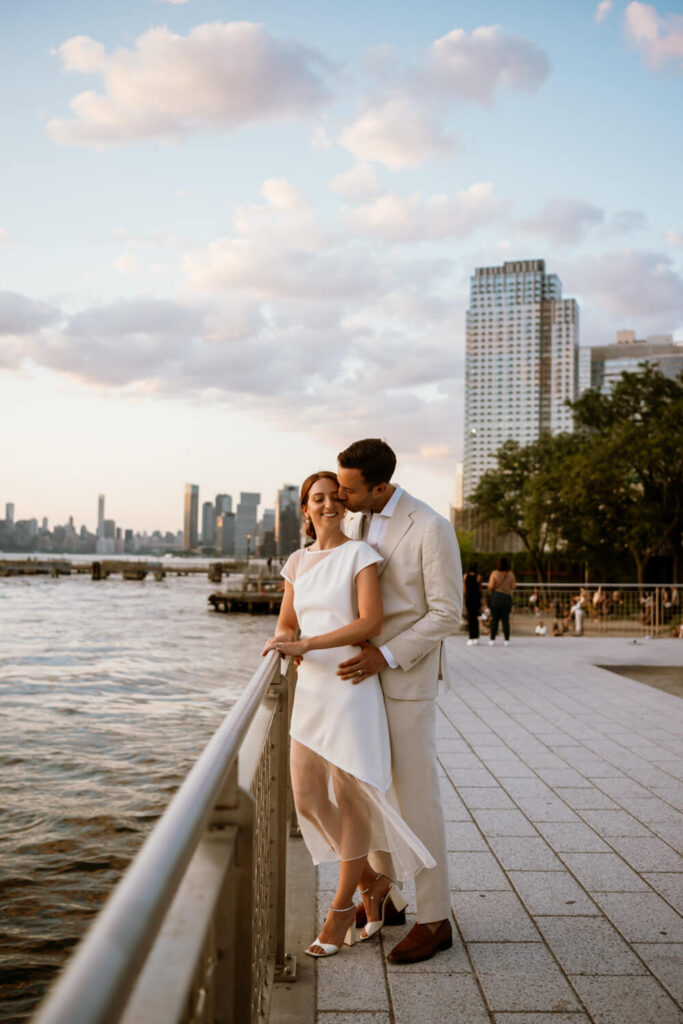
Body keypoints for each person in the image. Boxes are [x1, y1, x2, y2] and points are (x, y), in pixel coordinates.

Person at [262, 471, 434, 959]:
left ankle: (340, 910)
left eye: (336, 498)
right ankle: (374, 883)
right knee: (309, 799)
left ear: (346, 506)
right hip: (312, 690)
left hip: (350, 687)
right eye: (318, 499)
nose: (329, 505)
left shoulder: (361, 555)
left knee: (350, 799)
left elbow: (369, 622)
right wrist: (281, 641)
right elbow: (287, 620)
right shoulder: (297, 561)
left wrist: (309, 643)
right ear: (305, 509)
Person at [335, 438, 463, 965]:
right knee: (370, 792)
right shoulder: (354, 521)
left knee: (416, 797)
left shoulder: (431, 528)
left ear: (380, 487)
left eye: (348, 489)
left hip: (405, 680)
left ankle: (435, 919)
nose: (340, 498)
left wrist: (385, 656)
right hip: (360, 683)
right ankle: (385, 894)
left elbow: (446, 614)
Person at [487, 556, 516, 646]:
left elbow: (491, 586)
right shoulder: (510, 574)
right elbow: (513, 586)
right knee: (505, 619)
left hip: (496, 597)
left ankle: (492, 639)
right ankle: (507, 640)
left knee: (494, 619)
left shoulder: (495, 573)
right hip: (507, 598)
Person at [464, 562, 482, 645]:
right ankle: (476, 637)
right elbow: (480, 589)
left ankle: (470, 637)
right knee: (476, 618)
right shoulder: (478, 577)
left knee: (470, 618)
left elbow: (464, 589)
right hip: (476, 599)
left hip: (469, 599)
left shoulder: (465, 576)